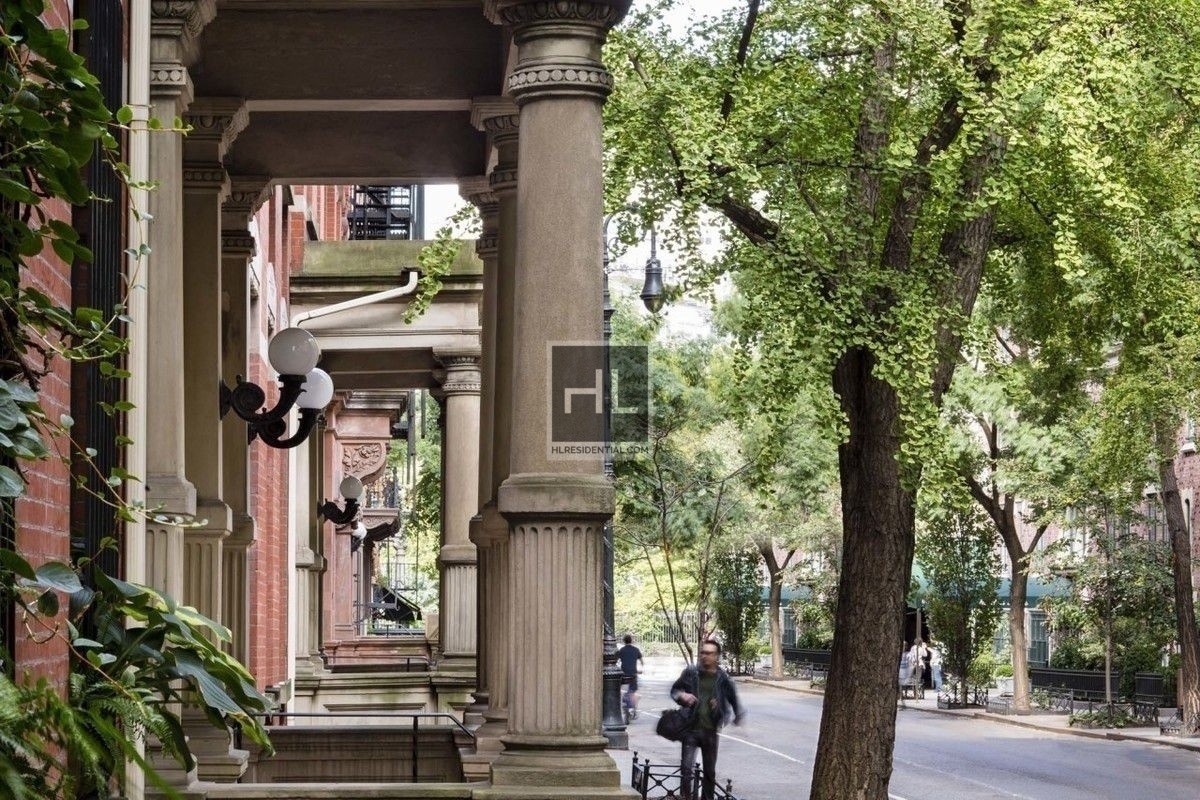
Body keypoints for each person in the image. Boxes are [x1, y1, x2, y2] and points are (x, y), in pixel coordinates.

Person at [670, 638, 744, 800]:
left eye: (709, 653)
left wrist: (735, 714)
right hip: (690, 728)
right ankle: (687, 797)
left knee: (709, 772)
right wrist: (682, 695)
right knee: (686, 770)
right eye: (703, 652)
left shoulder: (723, 678)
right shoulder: (691, 672)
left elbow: (733, 698)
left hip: (710, 731)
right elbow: (675, 690)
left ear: (717, 656)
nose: (705, 656)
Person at [616, 634, 644, 720]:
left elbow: (616, 660)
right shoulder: (636, 650)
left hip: (623, 674)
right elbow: (642, 661)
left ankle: (625, 706)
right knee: (632, 692)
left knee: (620, 690)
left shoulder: (622, 650)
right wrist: (641, 670)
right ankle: (634, 710)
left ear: (624, 641)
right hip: (633, 674)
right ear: (631, 641)